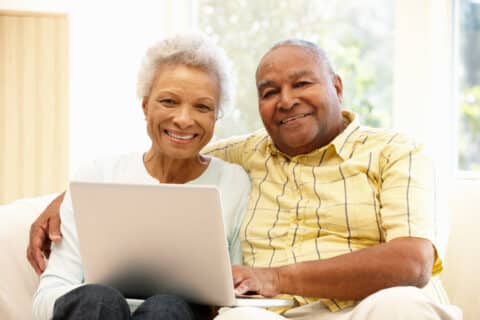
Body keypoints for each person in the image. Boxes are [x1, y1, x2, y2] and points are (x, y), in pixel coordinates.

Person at [29, 39, 462, 320]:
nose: (286, 100)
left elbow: (413, 263)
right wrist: (69, 198)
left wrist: (277, 277)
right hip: (276, 313)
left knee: (400, 307)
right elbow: (173, 155)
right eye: (270, 91)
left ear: (337, 85)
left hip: (369, 306)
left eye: (302, 83)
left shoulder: (395, 151)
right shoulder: (243, 156)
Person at [31, 33, 251, 320]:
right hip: (93, 313)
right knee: (100, 299)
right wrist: (93, 303)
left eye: (202, 106)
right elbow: (47, 297)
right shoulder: (97, 176)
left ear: (216, 116)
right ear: (145, 106)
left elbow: (236, 297)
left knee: (167, 308)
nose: (184, 119)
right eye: (169, 101)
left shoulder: (234, 183)